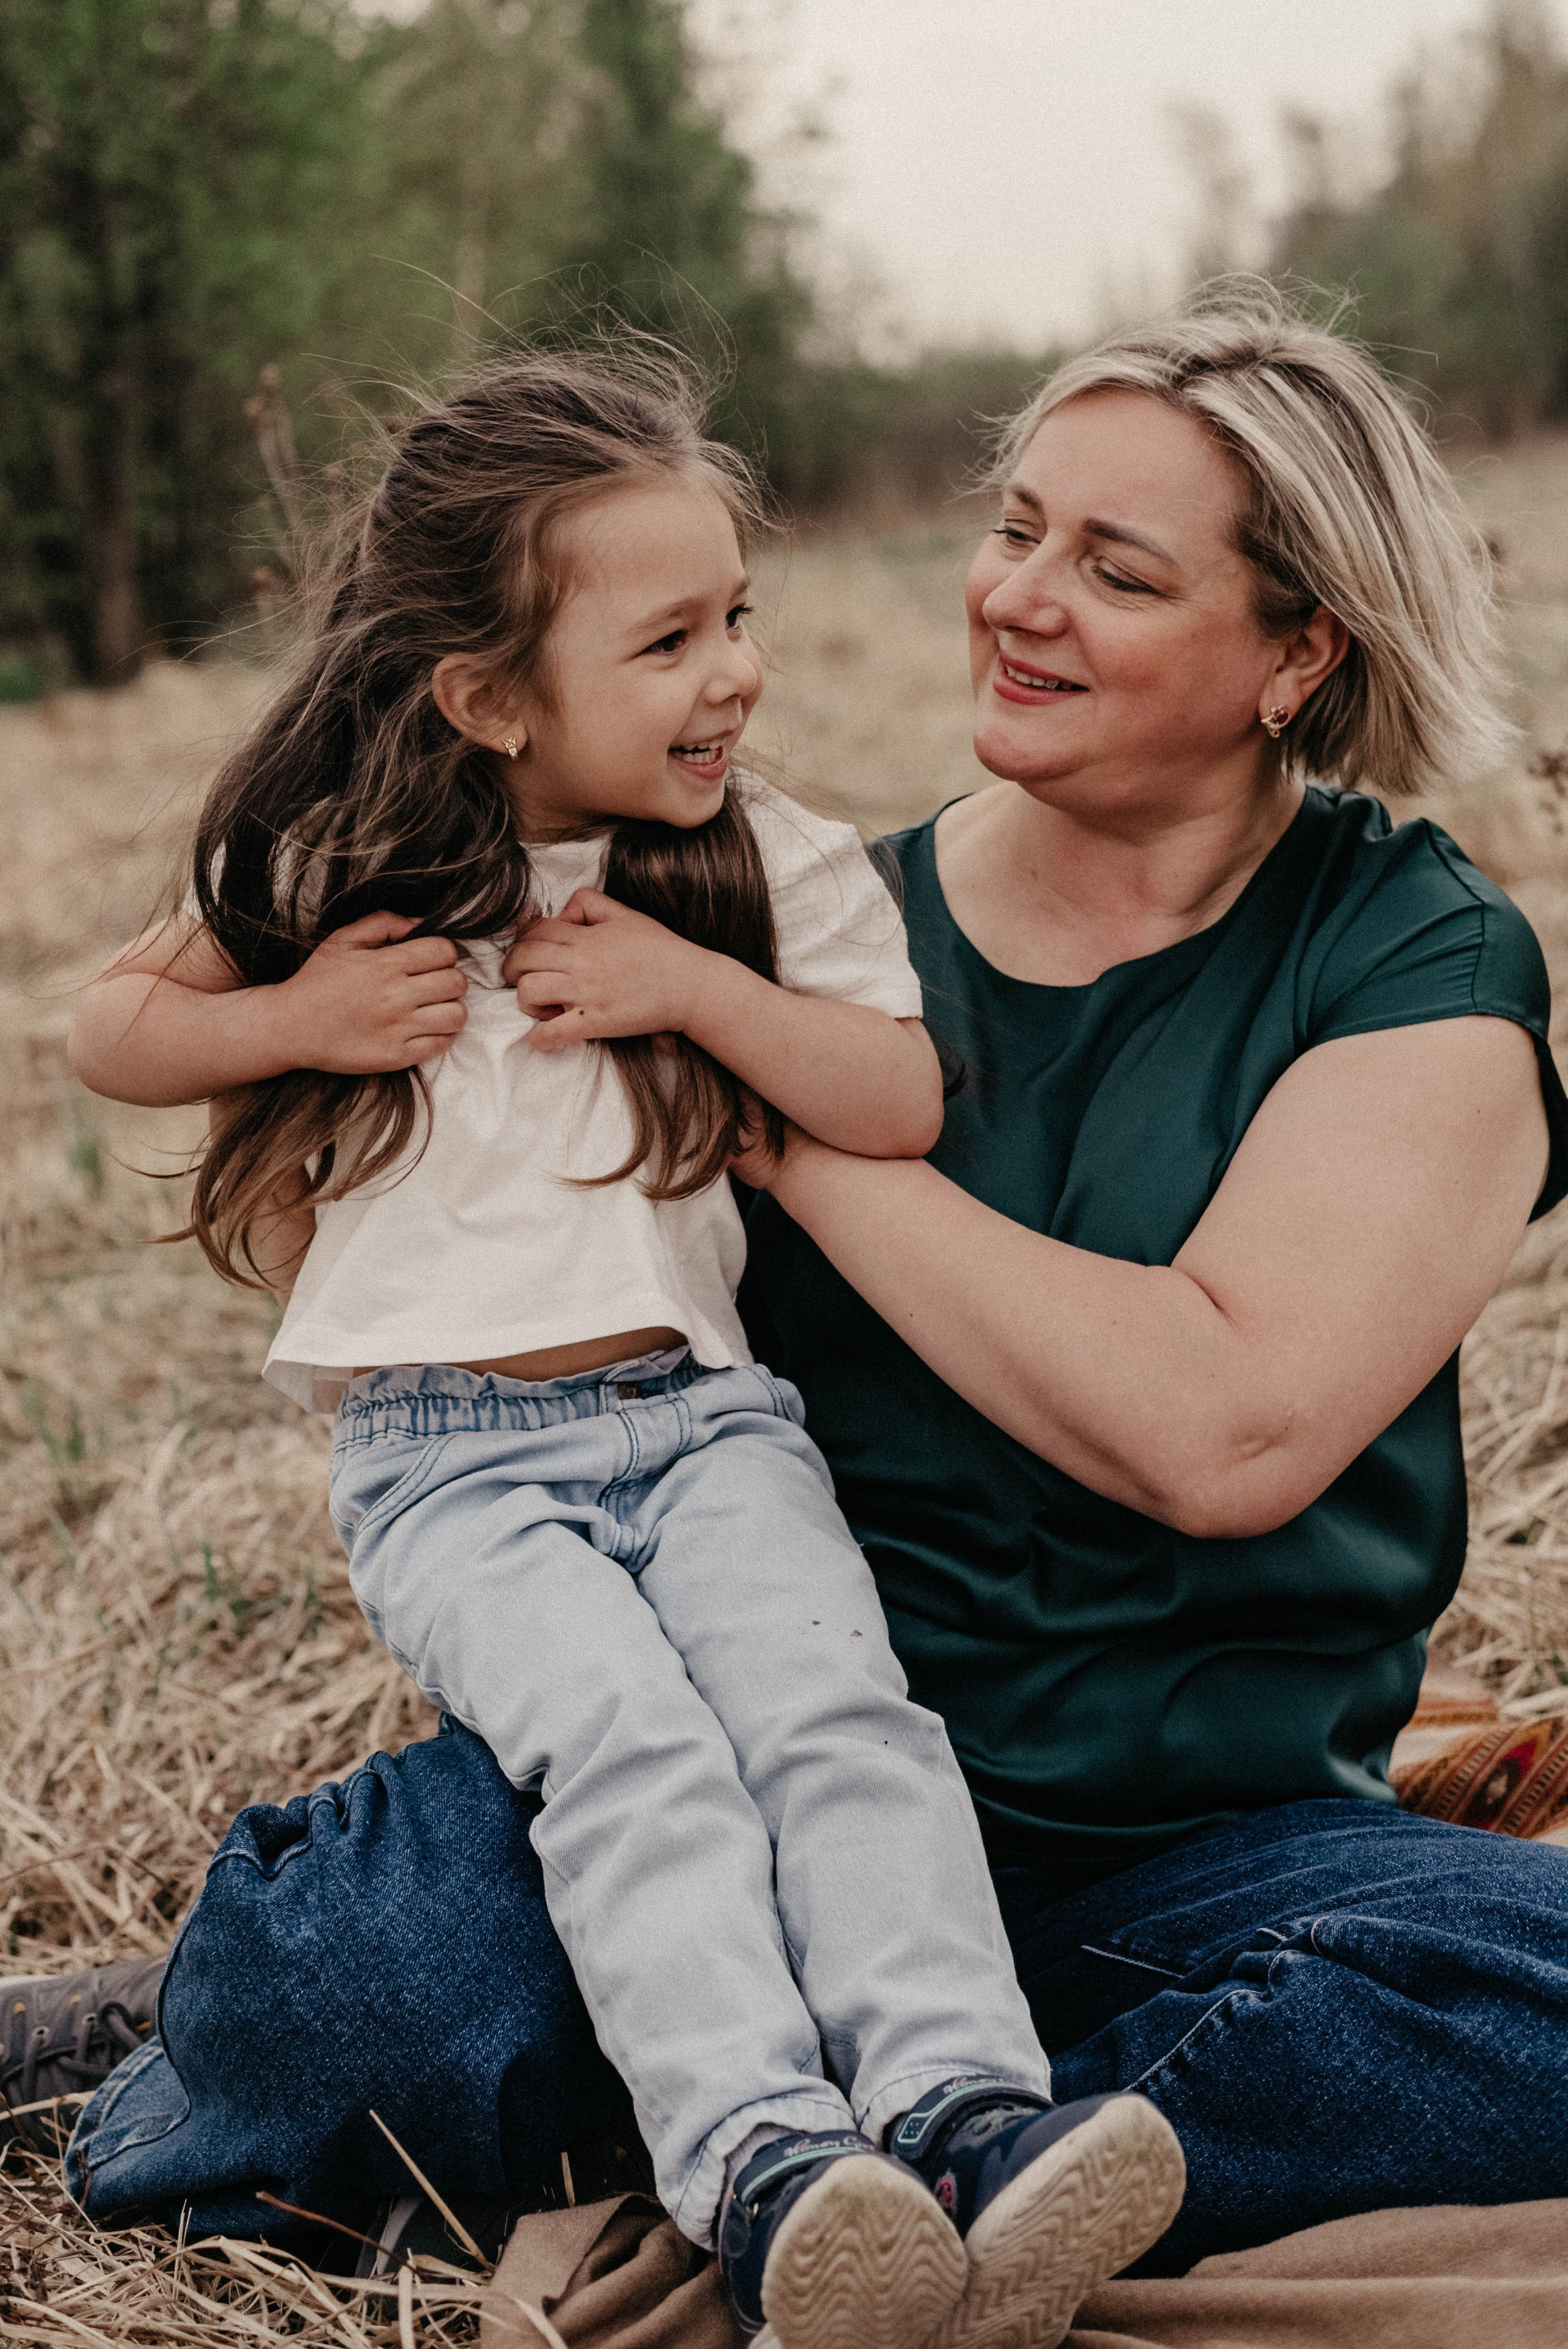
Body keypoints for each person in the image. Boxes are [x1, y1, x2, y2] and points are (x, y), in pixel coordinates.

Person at [25, 288, 1568, 2296]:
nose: (1018, 596)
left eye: (1116, 569)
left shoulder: (1405, 959)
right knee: (383, 1975)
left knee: (1537, 1987)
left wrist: (764, 1102)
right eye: (1016, 526)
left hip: (1196, 1842)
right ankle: (860, 2135)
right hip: (736, 1764)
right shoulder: (781, 902)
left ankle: (905, 2150)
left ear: (1300, 652)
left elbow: (1227, 1431)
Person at [57, 349, 1183, 2349]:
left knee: (842, 1723)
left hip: (704, 1419)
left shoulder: (765, 864)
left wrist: (694, 988)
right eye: (667, 641)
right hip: (452, 1456)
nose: (730, 673)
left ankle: (964, 2108)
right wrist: (297, 1019)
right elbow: (111, 1028)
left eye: (735, 616)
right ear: (487, 695)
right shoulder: (352, 865)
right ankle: (762, 2153)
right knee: (639, 1757)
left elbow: (897, 1094)